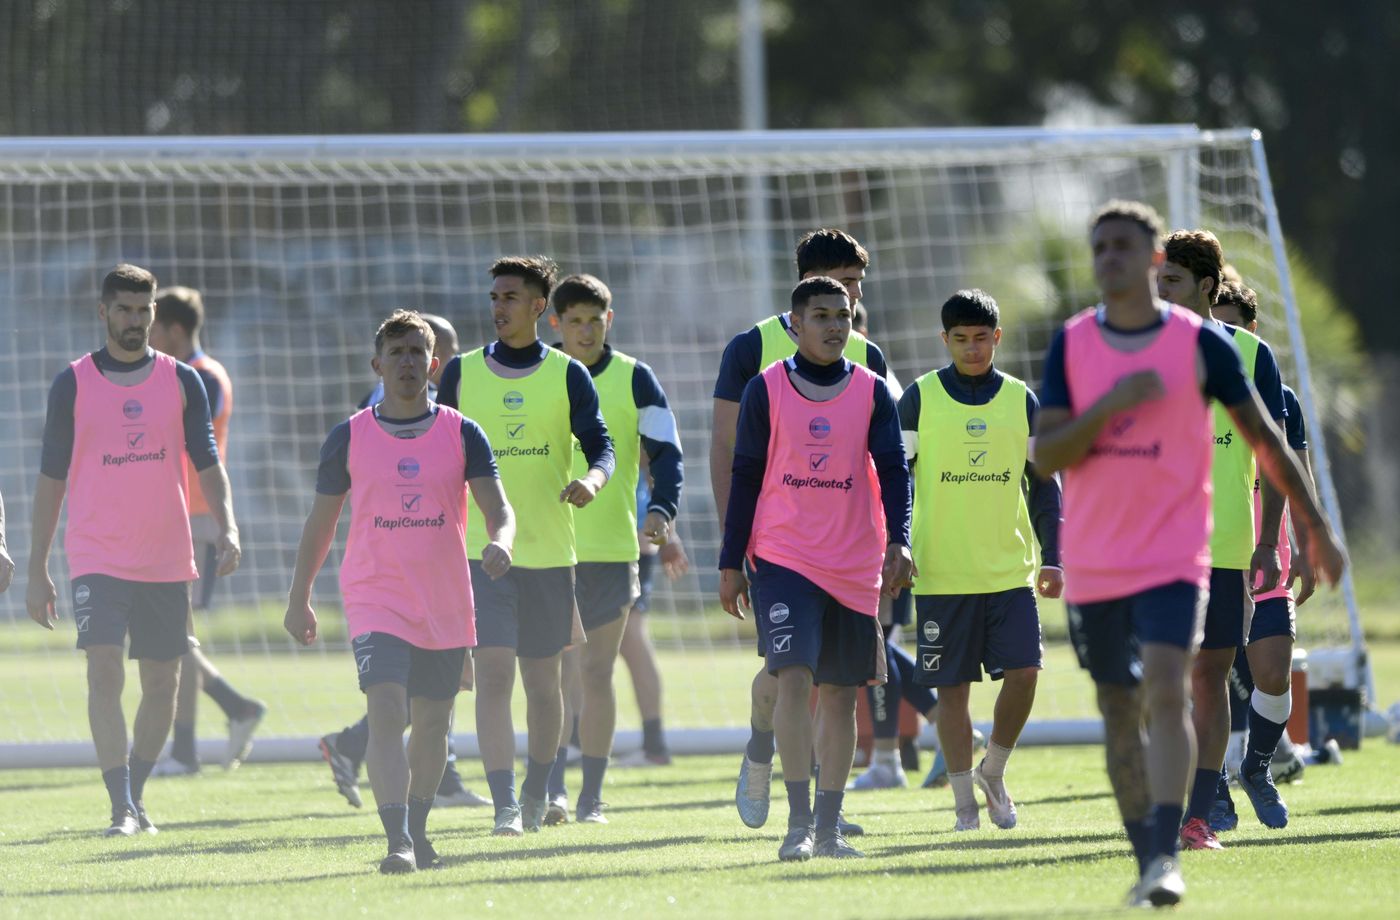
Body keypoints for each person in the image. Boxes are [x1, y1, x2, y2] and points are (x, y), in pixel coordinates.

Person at [1033, 201, 1345, 908]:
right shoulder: (1073, 345)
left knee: (1180, 683)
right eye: (1100, 246)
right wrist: (1110, 407)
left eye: (1125, 246)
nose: (1110, 257)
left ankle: (1177, 840)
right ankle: (1150, 852)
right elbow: (1046, 456)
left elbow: (1269, 441)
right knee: (1122, 706)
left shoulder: (1208, 347)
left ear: (1150, 262)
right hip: (1101, 555)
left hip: (1186, 551)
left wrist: (1311, 529)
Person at [283, 310, 515, 873]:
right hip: (374, 596)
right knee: (386, 711)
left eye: (418, 353)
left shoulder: (463, 432)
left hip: (444, 599)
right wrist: (299, 596)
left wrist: (502, 540)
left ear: (434, 364)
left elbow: (497, 507)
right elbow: (321, 523)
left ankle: (417, 828)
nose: (408, 362)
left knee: (433, 723)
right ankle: (396, 843)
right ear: (378, 365)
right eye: (397, 353)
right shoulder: (349, 435)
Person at [27, 264, 242, 836]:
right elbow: (50, 479)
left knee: (163, 684)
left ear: (153, 314)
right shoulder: (71, 384)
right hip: (96, 555)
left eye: (143, 311)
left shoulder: (183, 381)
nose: (134, 321)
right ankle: (120, 804)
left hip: (167, 556)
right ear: (103, 312)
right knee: (103, 673)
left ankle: (136, 793)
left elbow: (208, 464)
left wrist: (229, 525)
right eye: (123, 309)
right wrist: (38, 567)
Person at [719, 276, 913, 861]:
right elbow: (746, 476)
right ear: (795, 324)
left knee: (839, 693)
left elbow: (895, 474)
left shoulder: (874, 390)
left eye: (844, 315)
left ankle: (828, 829)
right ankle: (798, 826)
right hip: (783, 558)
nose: (834, 326)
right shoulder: (765, 389)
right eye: (822, 315)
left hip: (854, 562)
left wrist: (899, 542)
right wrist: (731, 563)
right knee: (795, 679)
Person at [437, 256, 616, 835]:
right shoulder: (461, 373)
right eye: (494, 297)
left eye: (511, 297)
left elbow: (602, 447)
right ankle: (504, 804)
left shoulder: (569, 374)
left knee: (544, 686)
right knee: (492, 677)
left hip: (549, 556)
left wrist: (591, 481)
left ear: (540, 308)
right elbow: (441, 462)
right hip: (481, 556)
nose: (499, 307)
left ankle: (539, 787)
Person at [899, 289, 1063, 830]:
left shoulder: (1022, 400)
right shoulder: (919, 399)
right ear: (944, 340)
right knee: (951, 693)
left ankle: (994, 770)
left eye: (982, 339)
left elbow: (1044, 485)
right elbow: (895, 481)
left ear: (998, 338)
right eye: (960, 340)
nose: (972, 349)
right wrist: (893, 544)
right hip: (940, 573)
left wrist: (1053, 556)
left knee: (1025, 673)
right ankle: (964, 803)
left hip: (1008, 571)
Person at [319, 312, 490, 809]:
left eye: (438, 353)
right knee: (396, 696)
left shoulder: (455, 420)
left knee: (430, 700)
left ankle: (357, 748)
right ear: (382, 362)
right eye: (401, 352)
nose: (443, 364)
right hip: (385, 581)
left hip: (447, 570)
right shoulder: (371, 419)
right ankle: (424, 798)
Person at [1158, 231, 1289, 849]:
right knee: (1160, 680)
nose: (1162, 291)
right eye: (1159, 280)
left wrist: (1268, 544)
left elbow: (1274, 455)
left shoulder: (1252, 355)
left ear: (1208, 287)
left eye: (1175, 281)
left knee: (1209, 677)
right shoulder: (1135, 350)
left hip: (1228, 545)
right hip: (1151, 548)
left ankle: (1198, 814)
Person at [540, 274, 684, 822]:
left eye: (593, 320)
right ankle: (550, 788)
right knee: (556, 674)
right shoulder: (538, 373)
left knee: (596, 672)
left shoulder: (635, 378)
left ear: (609, 319)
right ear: (555, 324)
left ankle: (590, 797)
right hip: (547, 550)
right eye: (573, 321)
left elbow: (667, 452)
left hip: (613, 550)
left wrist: (662, 511)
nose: (584, 331)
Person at [1208, 280, 1315, 830]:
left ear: (1252, 333)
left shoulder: (1282, 400)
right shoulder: (1188, 388)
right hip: (1208, 556)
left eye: (1233, 325)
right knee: (1207, 678)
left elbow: (1295, 472)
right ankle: (1211, 794)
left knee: (1273, 676)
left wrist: (1306, 541)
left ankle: (1256, 766)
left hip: (1265, 557)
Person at [146, 286, 266, 775]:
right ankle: (227, 715)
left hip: (194, 519)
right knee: (176, 634)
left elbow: (178, 436)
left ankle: (190, 746)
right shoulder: (186, 373)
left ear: (173, 330)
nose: (147, 336)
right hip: (177, 517)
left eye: (154, 327)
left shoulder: (203, 377)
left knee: (176, 635)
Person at [613, 476, 691, 768]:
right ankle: (575, 740)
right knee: (596, 644)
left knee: (629, 637)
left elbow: (658, 464)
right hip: (612, 535)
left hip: (627, 535)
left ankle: (654, 745)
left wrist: (668, 534)